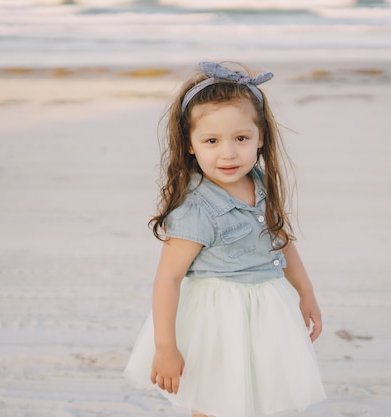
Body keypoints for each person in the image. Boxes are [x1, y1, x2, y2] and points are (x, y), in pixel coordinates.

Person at [123, 61, 326, 417]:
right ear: (190, 143)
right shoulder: (196, 209)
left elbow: (281, 240)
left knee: (259, 399)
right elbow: (168, 278)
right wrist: (165, 346)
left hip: (267, 314)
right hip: (218, 321)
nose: (228, 153)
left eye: (241, 139)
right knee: (214, 403)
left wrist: (305, 292)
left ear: (260, 137)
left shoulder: (261, 184)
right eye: (212, 141)